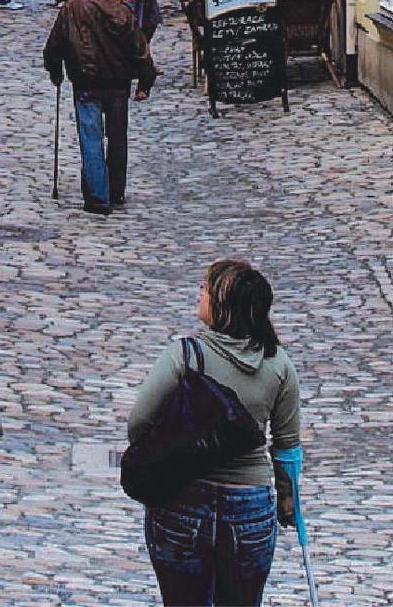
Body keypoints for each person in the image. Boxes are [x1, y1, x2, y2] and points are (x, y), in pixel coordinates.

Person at [126, 259, 304, 606]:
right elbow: (287, 448)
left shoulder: (185, 356)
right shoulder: (279, 365)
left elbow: (138, 422)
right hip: (249, 506)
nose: (200, 293)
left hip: (184, 500)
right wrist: (288, 500)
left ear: (225, 307)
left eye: (207, 289)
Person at [42, 0, 156, 214]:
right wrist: (145, 82)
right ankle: (115, 191)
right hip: (117, 84)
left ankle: (97, 197)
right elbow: (140, 50)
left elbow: (54, 46)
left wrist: (55, 71)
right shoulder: (122, 11)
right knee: (117, 139)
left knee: (91, 138)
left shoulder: (72, 8)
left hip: (86, 82)